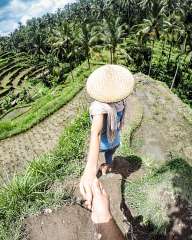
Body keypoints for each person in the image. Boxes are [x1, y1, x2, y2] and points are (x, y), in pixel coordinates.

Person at [80, 64, 135, 210]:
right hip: (115, 140)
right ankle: (107, 169)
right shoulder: (122, 103)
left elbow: (96, 133)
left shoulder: (99, 109)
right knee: (110, 158)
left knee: (98, 159)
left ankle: (98, 176)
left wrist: (90, 170)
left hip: (102, 145)